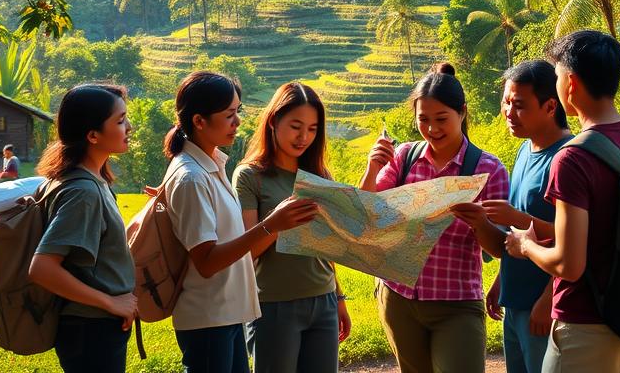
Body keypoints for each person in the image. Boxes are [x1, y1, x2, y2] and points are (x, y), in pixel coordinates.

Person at [504, 30, 620, 373]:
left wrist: (526, 245)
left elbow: (569, 265)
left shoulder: (571, 158)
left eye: (557, 76)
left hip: (587, 324)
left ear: (570, 83)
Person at [163, 71, 319, 373]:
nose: (237, 122)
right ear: (199, 121)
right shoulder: (192, 177)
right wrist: (272, 225)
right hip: (209, 318)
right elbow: (206, 261)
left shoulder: (210, 166)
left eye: (238, 112)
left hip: (228, 314)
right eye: (229, 115)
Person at [360, 62, 509, 373]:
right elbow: (366, 214)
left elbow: (499, 250)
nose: (432, 129)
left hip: (456, 303)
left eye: (442, 119)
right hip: (398, 297)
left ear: (463, 113)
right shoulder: (405, 158)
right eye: (423, 120)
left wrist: (480, 223)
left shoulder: (488, 169)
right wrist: (373, 168)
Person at [234, 82, 351, 373]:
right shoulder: (250, 176)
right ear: (274, 120)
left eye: (312, 129)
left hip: (322, 301)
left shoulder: (319, 174)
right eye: (296, 126)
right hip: (273, 305)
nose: (303, 137)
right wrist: (275, 224)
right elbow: (247, 256)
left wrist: (338, 297)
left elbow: (325, 244)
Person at [27, 84, 138, 373]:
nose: (130, 126)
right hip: (91, 330)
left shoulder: (88, 181)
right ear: (92, 135)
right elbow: (42, 268)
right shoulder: (83, 192)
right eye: (120, 120)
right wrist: (111, 303)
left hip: (95, 328)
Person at [480, 60, 572, 373]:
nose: (508, 112)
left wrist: (548, 301)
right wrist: (500, 279)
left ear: (549, 106)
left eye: (519, 105)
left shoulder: (567, 157)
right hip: (516, 299)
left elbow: (572, 237)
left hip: (543, 305)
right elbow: (518, 238)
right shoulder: (525, 150)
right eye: (506, 102)